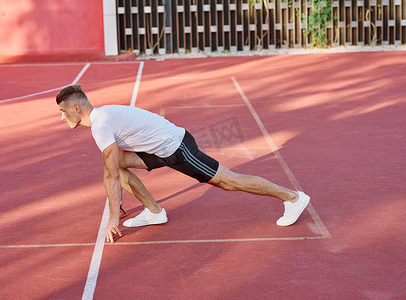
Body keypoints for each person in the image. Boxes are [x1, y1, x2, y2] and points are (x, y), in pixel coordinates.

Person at [56, 85, 310, 243]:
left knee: (228, 181)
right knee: (117, 164)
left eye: (63, 112)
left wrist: (113, 219)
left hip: (177, 148)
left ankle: (292, 198)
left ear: (76, 108)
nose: (61, 117)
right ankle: (154, 212)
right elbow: (112, 170)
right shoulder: (104, 116)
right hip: (160, 148)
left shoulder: (101, 125)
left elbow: (110, 177)